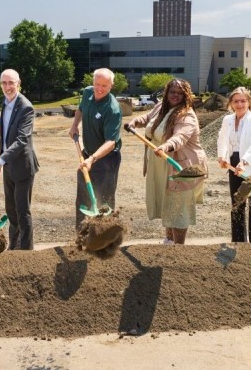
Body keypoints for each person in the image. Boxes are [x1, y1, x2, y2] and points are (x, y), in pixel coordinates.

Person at [126, 78, 207, 245]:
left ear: (186, 96)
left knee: (178, 207)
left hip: (180, 166)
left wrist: (165, 146)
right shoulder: (161, 108)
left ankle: (178, 247)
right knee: (167, 202)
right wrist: (134, 122)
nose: (175, 95)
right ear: (166, 93)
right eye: (172, 92)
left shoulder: (186, 115)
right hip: (161, 162)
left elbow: (180, 137)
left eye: (179, 93)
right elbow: (147, 118)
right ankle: (168, 240)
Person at [216, 87, 251, 243]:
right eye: (236, 101)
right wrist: (222, 156)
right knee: (237, 202)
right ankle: (238, 241)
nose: (240, 104)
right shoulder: (227, 120)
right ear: (231, 104)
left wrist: (245, 161)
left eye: (243, 101)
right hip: (234, 163)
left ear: (249, 102)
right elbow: (222, 139)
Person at [0, 69, 39, 250]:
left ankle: (26, 251)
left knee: (22, 211)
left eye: (11, 83)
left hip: (23, 167)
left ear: (19, 83)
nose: (8, 87)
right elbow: (5, 118)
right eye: (4, 83)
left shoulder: (26, 107)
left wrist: (0, 160)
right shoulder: (6, 102)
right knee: (11, 210)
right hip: (8, 166)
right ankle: (14, 247)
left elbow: (22, 139)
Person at [68, 68, 122, 231]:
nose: (99, 89)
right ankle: (82, 236)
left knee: (104, 201)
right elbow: (81, 109)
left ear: (111, 85)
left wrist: (92, 159)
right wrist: (74, 124)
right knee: (83, 199)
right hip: (87, 154)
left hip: (106, 160)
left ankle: (105, 238)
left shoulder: (112, 109)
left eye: (104, 85)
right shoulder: (87, 93)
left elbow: (111, 142)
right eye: (97, 84)